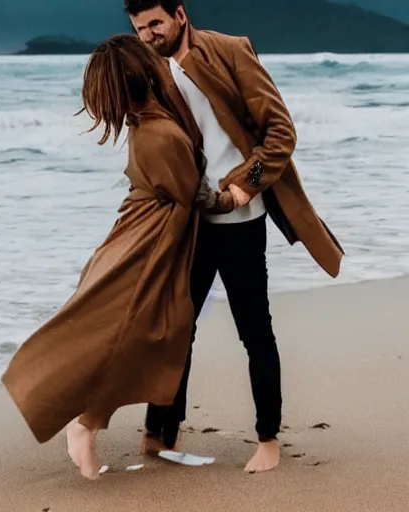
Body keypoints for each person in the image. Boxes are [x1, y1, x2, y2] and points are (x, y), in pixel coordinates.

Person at [1, 34, 236, 481]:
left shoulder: (146, 127)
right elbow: (194, 195)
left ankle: (94, 425)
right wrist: (236, 196)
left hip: (131, 239)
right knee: (130, 336)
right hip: (148, 246)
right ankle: (86, 424)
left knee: (126, 333)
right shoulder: (163, 132)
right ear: (146, 75)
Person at [125, 0, 345, 473]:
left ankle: (268, 438)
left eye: (156, 24)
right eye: (139, 28)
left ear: (180, 14)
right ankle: (160, 433)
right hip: (188, 222)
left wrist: (245, 185)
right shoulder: (149, 70)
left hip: (241, 222)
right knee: (174, 329)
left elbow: (281, 131)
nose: (148, 36)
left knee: (254, 331)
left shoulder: (228, 51)